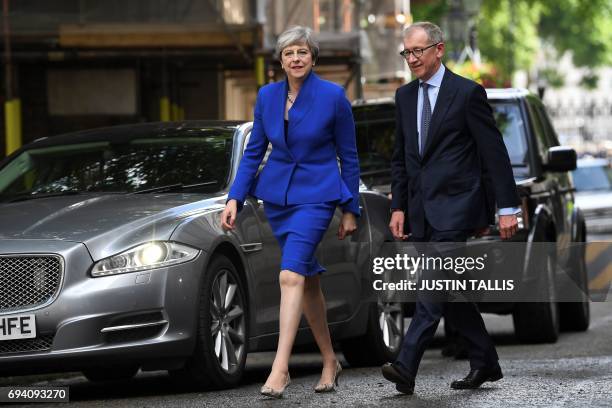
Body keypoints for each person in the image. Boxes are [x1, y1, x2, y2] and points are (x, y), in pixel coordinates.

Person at [381, 21, 521, 395]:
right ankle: (486, 362)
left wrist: (508, 206)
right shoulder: (404, 97)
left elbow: (494, 153)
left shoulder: (467, 93)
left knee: (430, 284)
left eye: (418, 51)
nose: (411, 59)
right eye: (406, 52)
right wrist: (398, 206)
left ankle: (405, 364)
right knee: (451, 290)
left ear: (439, 50)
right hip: (421, 209)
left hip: (457, 207)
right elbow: (402, 158)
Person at [220, 26, 360, 398]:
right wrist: (235, 196)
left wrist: (350, 208)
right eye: (288, 53)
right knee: (307, 280)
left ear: (313, 57)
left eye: (302, 52)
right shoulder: (267, 96)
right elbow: (254, 153)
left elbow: (348, 155)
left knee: (289, 275)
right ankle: (330, 360)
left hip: (317, 197)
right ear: (280, 61)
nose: (295, 58)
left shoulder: (333, 97)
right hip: (279, 199)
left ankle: (279, 369)